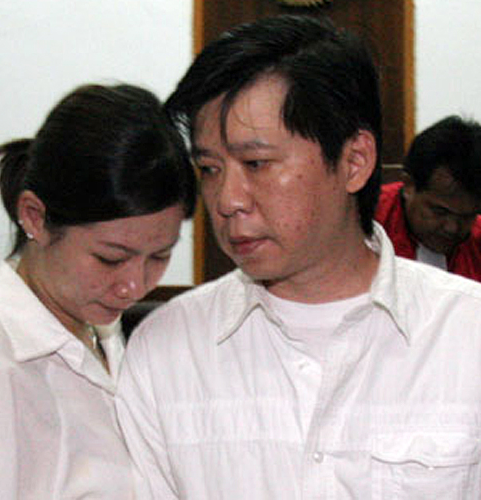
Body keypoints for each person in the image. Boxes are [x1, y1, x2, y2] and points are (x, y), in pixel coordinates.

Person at [116, 15, 481, 499]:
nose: (227, 200)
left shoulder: (465, 336)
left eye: (256, 164)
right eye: (209, 168)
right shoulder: (167, 351)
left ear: (354, 162)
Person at [0, 83, 196, 498]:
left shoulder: (114, 341)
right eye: (110, 258)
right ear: (35, 217)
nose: (135, 286)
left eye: (159, 256)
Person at [375, 115, 481, 280]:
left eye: (467, 216)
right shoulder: (363, 223)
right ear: (409, 186)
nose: (452, 228)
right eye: (440, 211)